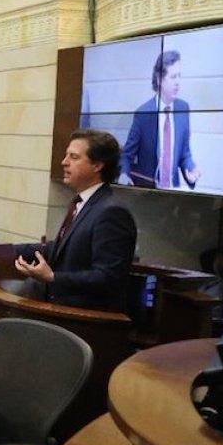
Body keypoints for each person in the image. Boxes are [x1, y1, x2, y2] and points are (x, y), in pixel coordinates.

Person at [15, 130, 137, 311]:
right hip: (61, 312)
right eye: (66, 156)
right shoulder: (80, 203)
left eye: (74, 157)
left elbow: (108, 277)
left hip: (87, 321)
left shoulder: (112, 211)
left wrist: (53, 277)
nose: (64, 162)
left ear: (97, 165)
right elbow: (61, 248)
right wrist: (1, 252)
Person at [120, 49, 198, 190]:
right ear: (159, 79)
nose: (178, 82)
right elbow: (127, 155)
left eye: (179, 76)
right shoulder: (143, 114)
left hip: (174, 192)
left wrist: (191, 168)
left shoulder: (183, 108)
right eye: (173, 77)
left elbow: (184, 153)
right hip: (147, 192)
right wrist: (124, 174)